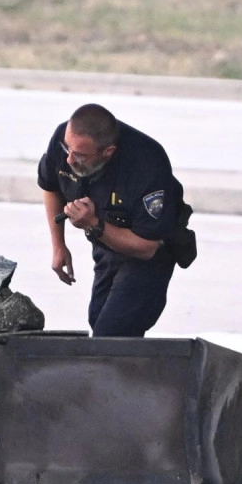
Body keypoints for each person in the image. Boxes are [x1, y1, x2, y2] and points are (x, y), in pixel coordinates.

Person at [37, 103, 195, 337]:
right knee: (98, 318)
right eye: (67, 148)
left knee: (113, 331)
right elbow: (50, 186)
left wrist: (93, 224)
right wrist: (59, 246)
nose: (69, 159)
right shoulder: (66, 142)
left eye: (79, 156)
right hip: (106, 246)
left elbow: (147, 248)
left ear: (107, 152)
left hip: (147, 255)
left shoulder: (147, 164)